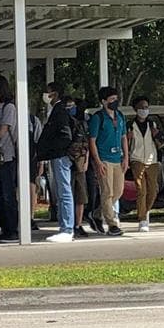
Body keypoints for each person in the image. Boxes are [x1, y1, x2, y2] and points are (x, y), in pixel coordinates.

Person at [37, 82, 76, 243]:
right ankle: (64, 225)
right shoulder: (57, 110)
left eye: (48, 93)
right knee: (60, 191)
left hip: (60, 156)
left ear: (55, 94)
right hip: (57, 156)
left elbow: (65, 135)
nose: (46, 96)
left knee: (64, 191)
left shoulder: (59, 111)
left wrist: (52, 149)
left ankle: (67, 228)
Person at [88, 86, 128, 236]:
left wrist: (126, 157)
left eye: (116, 99)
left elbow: (124, 137)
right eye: (111, 100)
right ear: (104, 101)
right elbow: (92, 140)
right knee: (107, 192)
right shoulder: (98, 118)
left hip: (118, 158)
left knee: (118, 191)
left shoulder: (120, 116)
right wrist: (97, 161)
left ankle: (97, 214)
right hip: (104, 159)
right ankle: (112, 224)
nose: (114, 102)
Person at [0, 75, 20, 243]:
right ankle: (3, 226)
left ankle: (12, 229)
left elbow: (2, 132)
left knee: (8, 194)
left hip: (7, 155)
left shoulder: (9, 108)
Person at [128, 96, 163, 232]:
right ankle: (142, 219)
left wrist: (157, 135)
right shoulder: (130, 125)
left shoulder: (152, 124)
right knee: (141, 189)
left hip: (152, 160)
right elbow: (127, 143)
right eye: (141, 107)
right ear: (136, 109)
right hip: (136, 159)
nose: (144, 110)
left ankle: (146, 210)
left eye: (146, 107)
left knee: (153, 190)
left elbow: (161, 143)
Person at [68, 96, 91, 238]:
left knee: (81, 195)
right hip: (68, 161)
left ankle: (78, 224)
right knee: (68, 193)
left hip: (81, 162)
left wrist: (86, 160)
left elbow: (86, 143)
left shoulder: (84, 124)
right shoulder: (65, 123)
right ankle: (69, 224)